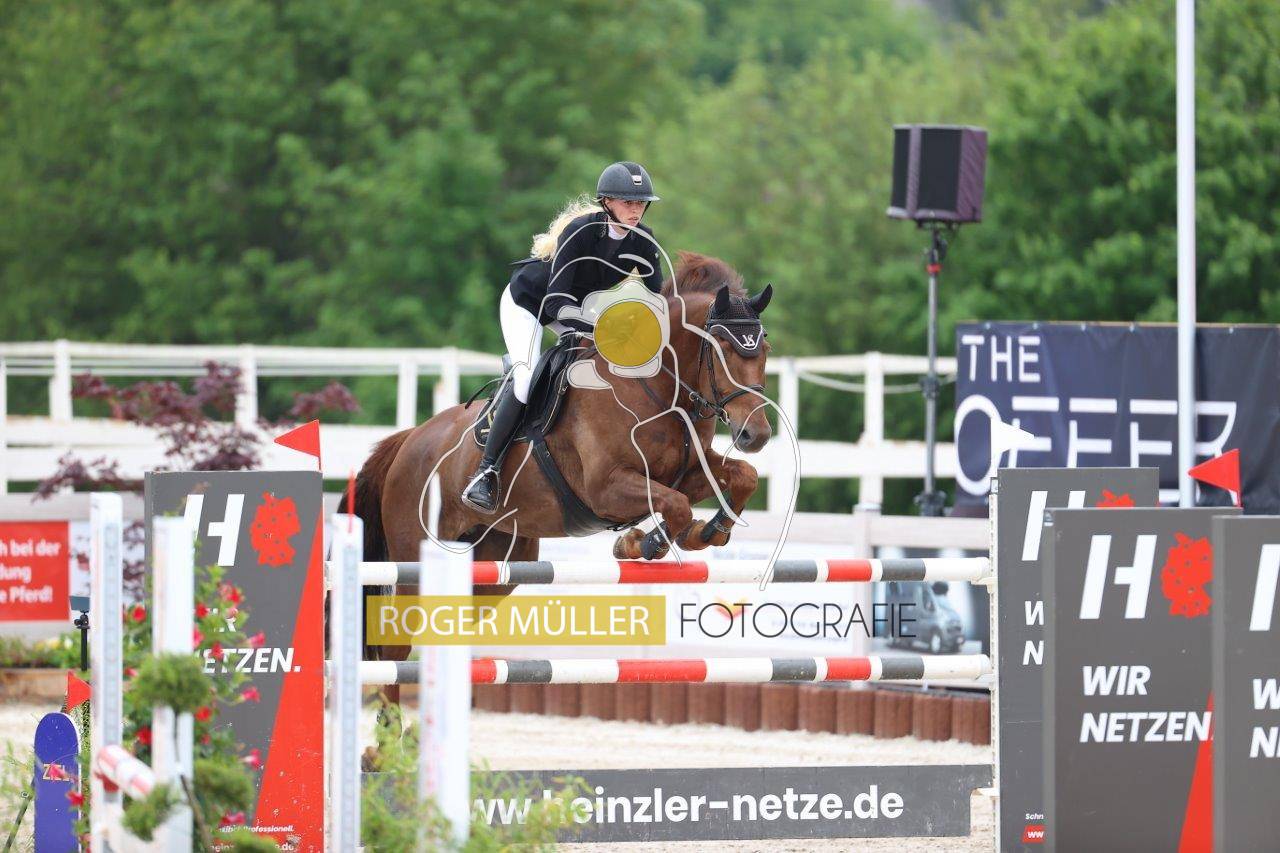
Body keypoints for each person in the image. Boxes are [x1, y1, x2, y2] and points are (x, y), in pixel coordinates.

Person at [461, 161, 663, 513]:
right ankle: (486, 471)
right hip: (529, 303)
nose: (636, 210)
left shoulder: (643, 241)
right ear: (606, 202)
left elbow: (659, 298)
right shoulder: (580, 232)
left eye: (641, 203)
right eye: (628, 202)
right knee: (527, 378)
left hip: (575, 310)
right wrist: (603, 326)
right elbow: (555, 301)